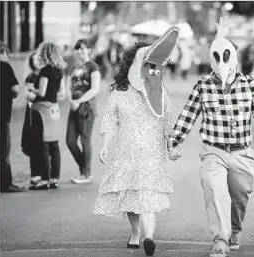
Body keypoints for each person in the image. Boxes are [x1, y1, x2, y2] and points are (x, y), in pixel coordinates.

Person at [168, 18, 254, 257]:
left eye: (227, 56)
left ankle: (234, 230)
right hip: (213, 150)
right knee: (215, 192)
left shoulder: (248, 84)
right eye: (217, 57)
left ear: (234, 57)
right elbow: (187, 116)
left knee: (240, 195)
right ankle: (221, 240)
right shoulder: (203, 86)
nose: (221, 62)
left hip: (242, 152)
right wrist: (174, 143)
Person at [93, 26, 180, 257]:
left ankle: (149, 237)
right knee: (131, 195)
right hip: (127, 150)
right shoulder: (119, 93)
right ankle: (136, 233)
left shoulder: (158, 91)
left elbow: (167, 121)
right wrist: (104, 145)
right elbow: (110, 120)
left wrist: (172, 145)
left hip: (152, 151)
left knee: (148, 193)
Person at [27, 42, 66, 190]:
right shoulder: (59, 71)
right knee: (54, 144)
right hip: (54, 108)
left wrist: (32, 88)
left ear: (43, 53)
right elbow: (60, 93)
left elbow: (41, 92)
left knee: (42, 144)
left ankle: (44, 179)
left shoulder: (45, 71)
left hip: (41, 110)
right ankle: (54, 178)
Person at [66, 39, 101, 184]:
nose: (80, 51)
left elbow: (95, 89)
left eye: (83, 48)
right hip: (73, 107)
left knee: (85, 140)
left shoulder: (93, 66)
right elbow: (68, 87)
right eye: (78, 49)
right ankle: (84, 169)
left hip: (87, 107)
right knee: (70, 141)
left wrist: (79, 102)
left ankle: (86, 174)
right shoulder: (73, 68)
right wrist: (71, 101)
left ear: (89, 50)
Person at [0, 41, 24, 193]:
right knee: (3, 151)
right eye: (7, 54)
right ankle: (5, 184)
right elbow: (15, 89)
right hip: (2, 115)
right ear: (2, 52)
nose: (8, 58)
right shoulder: (5, 67)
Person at [21, 52, 40, 185]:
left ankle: (43, 171)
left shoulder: (46, 74)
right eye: (33, 59)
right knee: (34, 141)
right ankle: (35, 173)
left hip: (44, 111)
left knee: (45, 142)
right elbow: (28, 95)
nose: (35, 61)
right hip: (33, 112)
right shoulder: (31, 76)